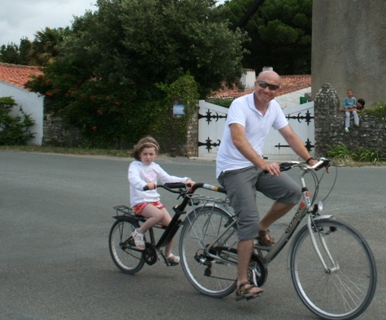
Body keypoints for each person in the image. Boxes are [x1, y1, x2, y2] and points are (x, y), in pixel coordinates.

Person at [216, 70, 317, 301]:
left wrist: (310, 160)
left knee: (292, 193)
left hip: (255, 165)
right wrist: (263, 163)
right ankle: (242, 282)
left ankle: (263, 227)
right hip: (233, 168)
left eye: (273, 87)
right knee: (248, 221)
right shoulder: (240, 105)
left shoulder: (274, 108)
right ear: (255, 84)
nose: (267, 90)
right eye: (263, 85)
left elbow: (290, 135)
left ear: (278, 90)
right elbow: (238, 139)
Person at [128, 136, 194, 265]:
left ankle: (168, 254)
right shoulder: (135, 166)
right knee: (157, 215)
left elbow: (168, 179)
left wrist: (185, 180)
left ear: (155, 155)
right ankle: (138, 233)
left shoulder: (155, 167)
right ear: (139, 154)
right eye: (145, 154)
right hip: (140, 201)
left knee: (172, 226)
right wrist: (144, 185)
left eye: (151, 154)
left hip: (154, 202)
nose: (148, 157)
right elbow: (133, 178)